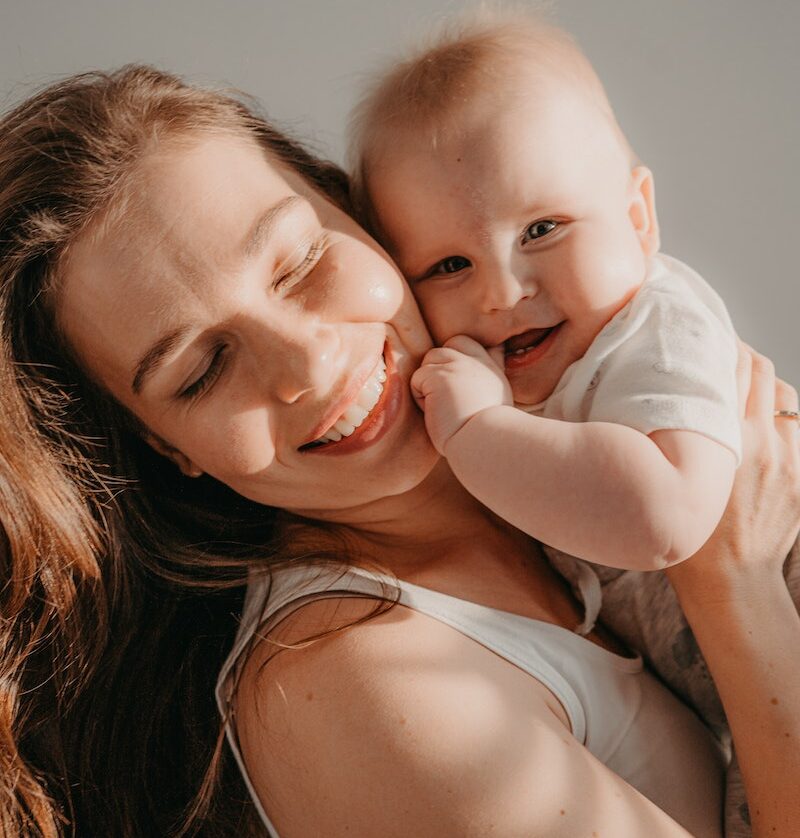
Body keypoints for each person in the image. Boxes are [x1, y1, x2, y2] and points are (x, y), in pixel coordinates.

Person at [0, 66, 798, 838]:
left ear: (356, 215)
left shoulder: (559, 442)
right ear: (167, 447)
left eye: (300, 263)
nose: (306, 363)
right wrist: (736, 579)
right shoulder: (362, 685)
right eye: (203, 371)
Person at [346, 14, 800, 834]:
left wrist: (478, 429)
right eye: (449, 265)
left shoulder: (657, 329)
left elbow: (665, 518)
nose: (501, 290)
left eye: (541, 230)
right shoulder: (538, 375)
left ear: (639, 217)